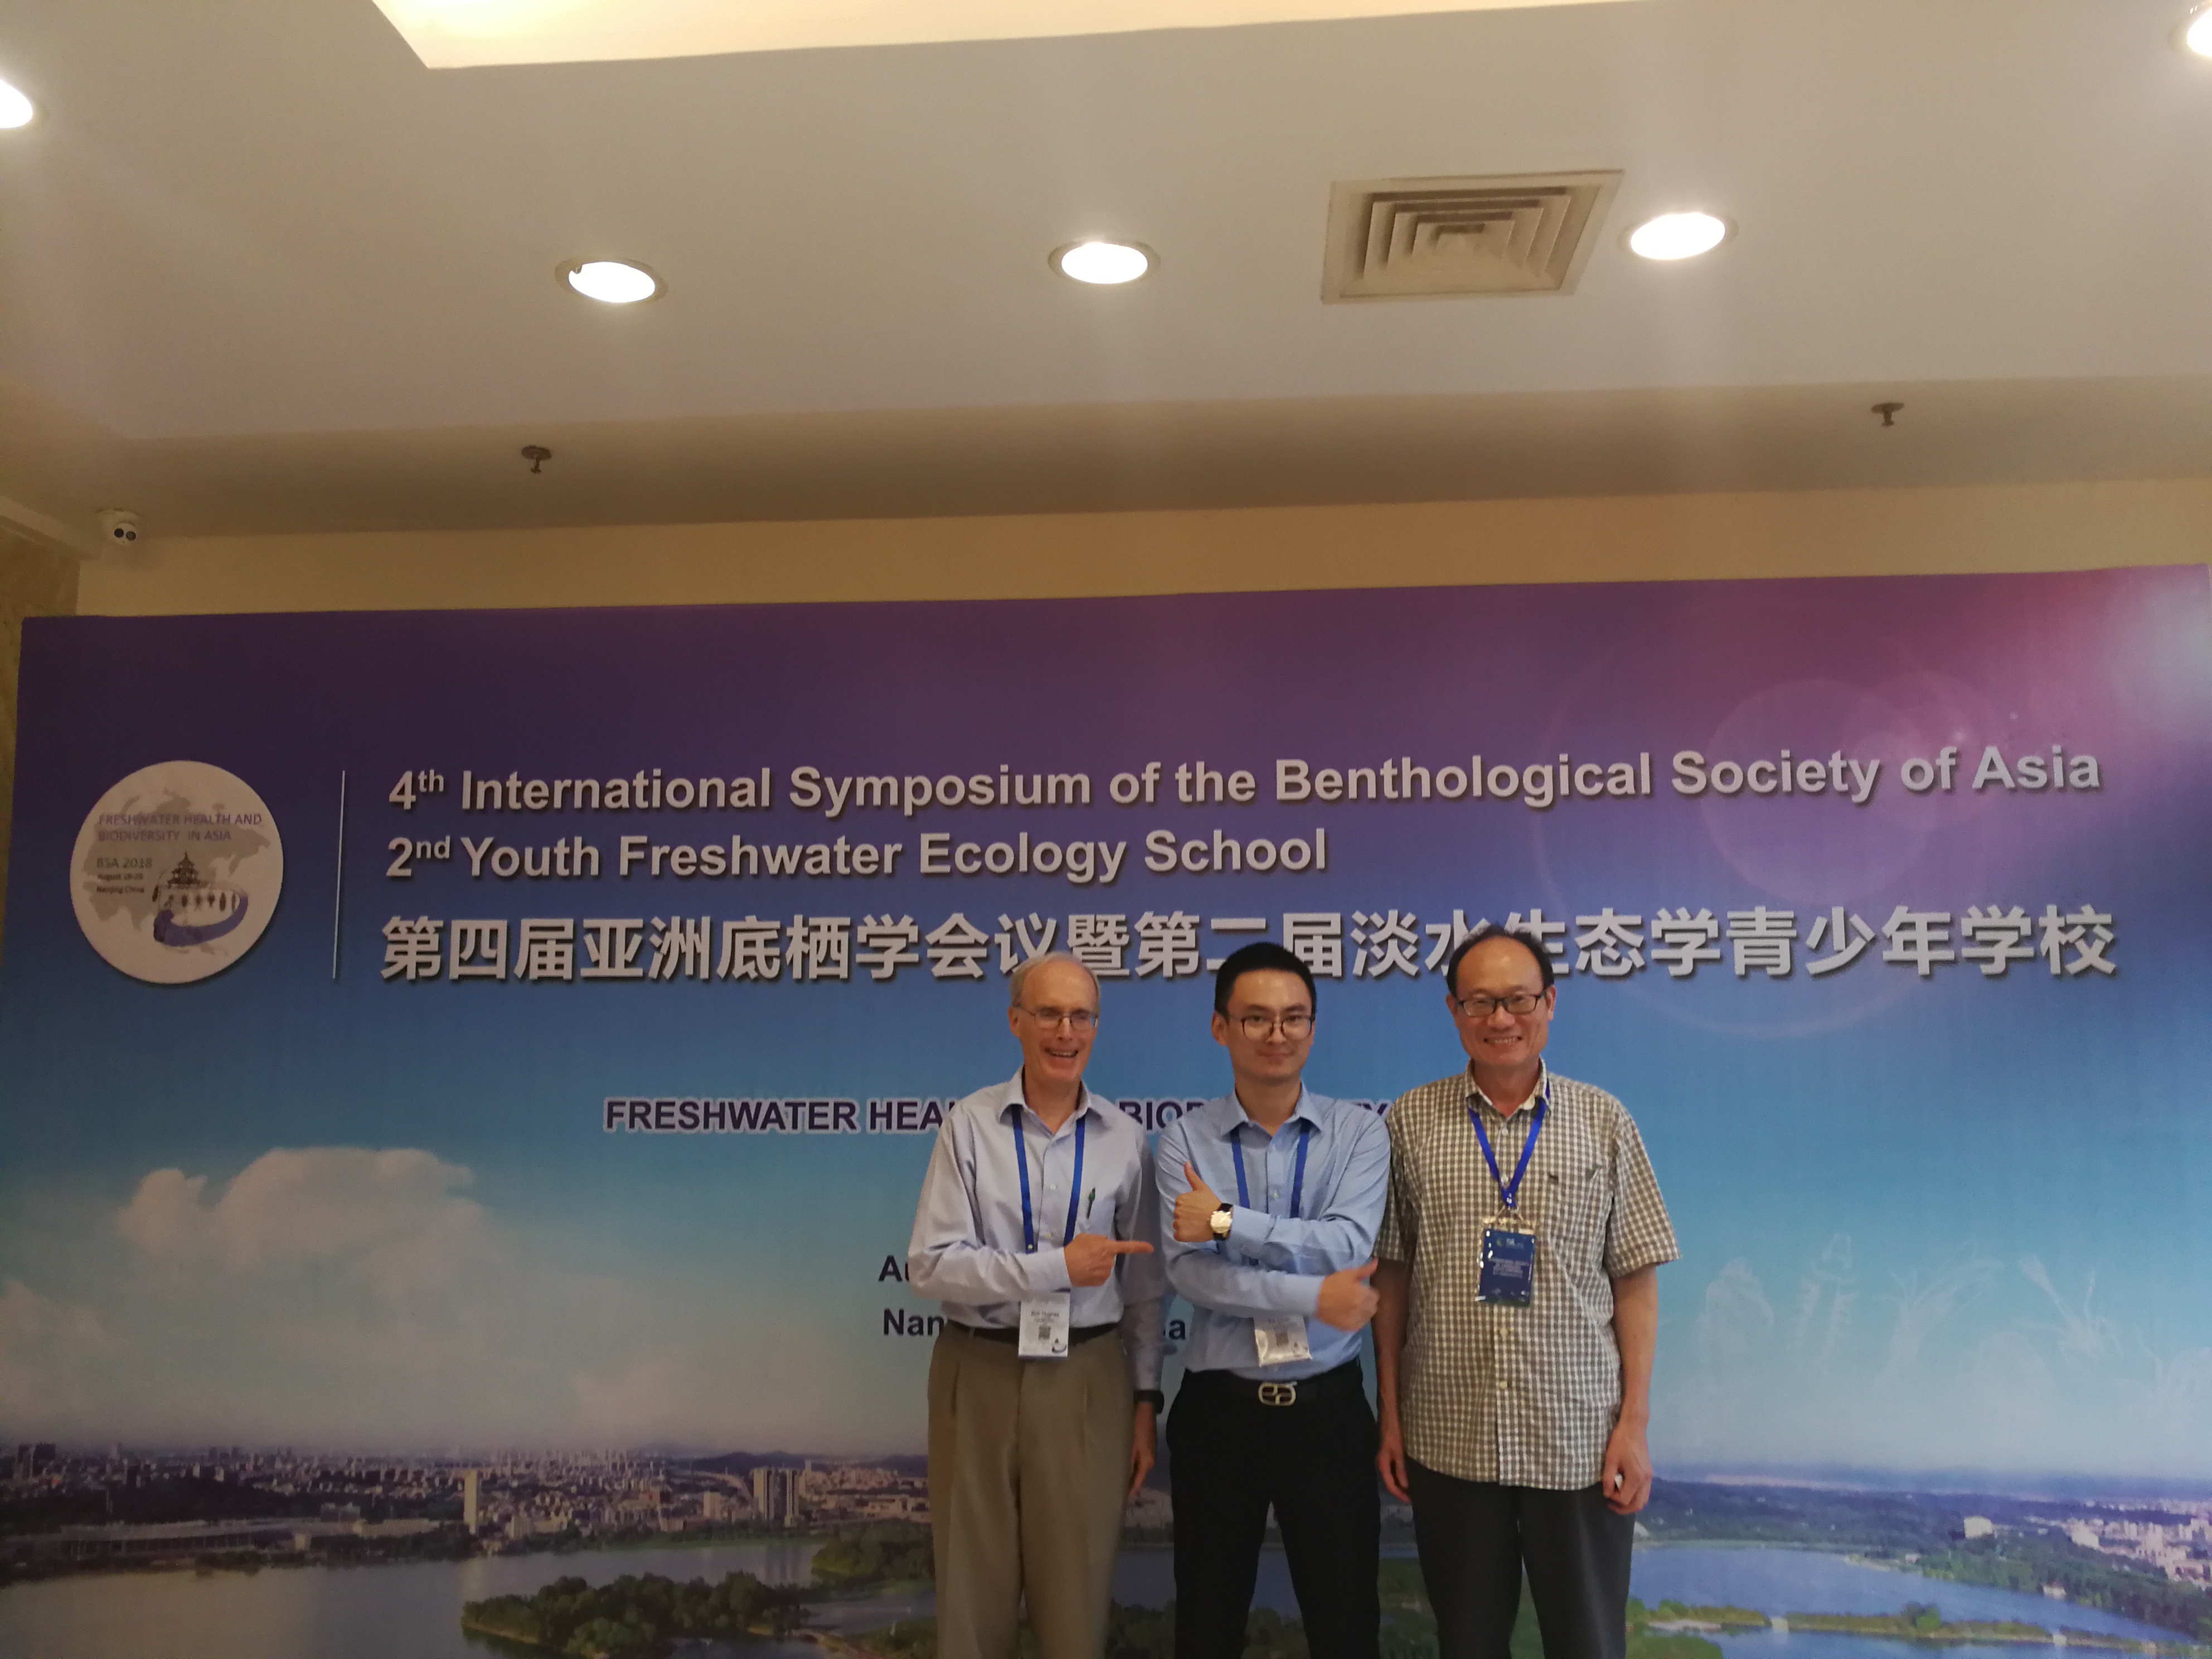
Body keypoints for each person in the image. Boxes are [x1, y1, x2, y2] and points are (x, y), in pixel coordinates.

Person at [1374, 924, 1679, 1659]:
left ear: (1549, 1003)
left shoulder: (1604, 1121)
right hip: (1448, 1432)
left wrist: (1634, 1423)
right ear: (1453, 1011)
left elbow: (1635, 1280)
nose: (1500, 1019)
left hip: (1576, 1438)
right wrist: (1391, 1415)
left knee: (1587, 1641)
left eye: (1517, 1000)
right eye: (1479, 1002)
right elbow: (1392, 1276)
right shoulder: (1410, 1121)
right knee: (1467, 1642)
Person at [907, 951, 1166, 1659]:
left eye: (1081, 1016)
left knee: (1075, 1601)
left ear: (1096, 1028)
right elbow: (930, 1265)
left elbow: (1144, 1289)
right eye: (1048, 1013)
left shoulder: (1124, 1139)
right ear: (1015, 1021)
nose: (1065, 1032)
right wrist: (1055, 1268)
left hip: (1086, 1375)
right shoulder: (969, 1125)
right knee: (970, 1602)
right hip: (977, 1371)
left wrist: (1146, 1398)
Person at [1156, 941, 1391, 1659]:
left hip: (1327, 1413)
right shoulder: (1182, 1140)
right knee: (1206, 1625)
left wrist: (1227, 1221)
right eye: (1255, 1018)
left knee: (1345, 1626)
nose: (1276, 1033)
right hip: (1218, 1414)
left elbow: (1347, 1245)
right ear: (1220, 1027)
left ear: (1313, 1028)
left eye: (1294, 1017)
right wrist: (1315, 1296)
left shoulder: (1358, 1132)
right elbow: (1191, 1274)